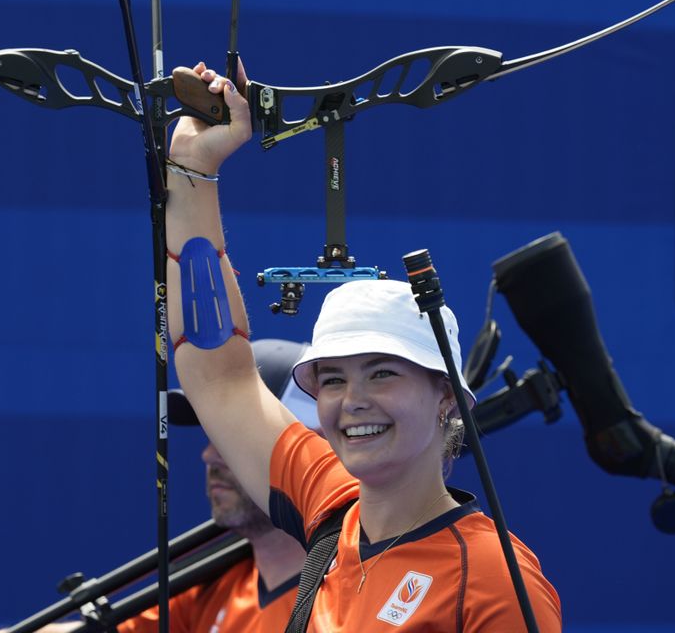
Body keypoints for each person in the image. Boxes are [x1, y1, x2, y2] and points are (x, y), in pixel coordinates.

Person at [163, 61, 562, 632]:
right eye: (332, 379)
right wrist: (194, 169)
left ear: (445, 394)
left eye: (381, 374)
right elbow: (218, 372)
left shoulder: (495, 582)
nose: (352, 400)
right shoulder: (329, 504)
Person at [116, 338, 314, 633]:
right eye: (214, 434)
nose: (209, 455)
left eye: (237, 434)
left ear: (311, 444)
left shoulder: (355, 591)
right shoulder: (212, 585)